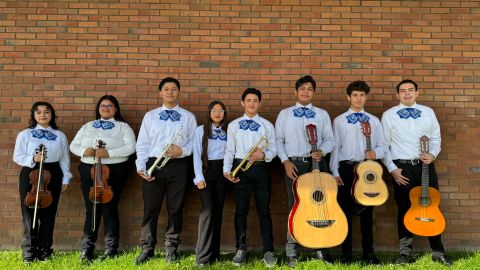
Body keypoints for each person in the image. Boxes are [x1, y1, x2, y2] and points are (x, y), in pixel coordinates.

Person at [382, 79, 451, 266]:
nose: (407, 93)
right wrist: (392, 169)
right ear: (397, 95)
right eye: (403, 91)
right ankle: (405, 254)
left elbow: (436, 137)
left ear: (417, 93)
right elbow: (383, 145)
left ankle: (438, 252)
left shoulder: (428, 113)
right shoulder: (389, 115)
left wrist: (433, 154)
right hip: (402, 169)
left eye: (411, 90)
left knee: (431, 206)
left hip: (426, 166)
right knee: (405, 209)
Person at [134, 77, 197, 265]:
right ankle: (147, 248)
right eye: (166, 89)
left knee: (175, 208)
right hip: (153, 165)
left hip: (178, 165)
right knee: (150, 209)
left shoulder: (189, 117)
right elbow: (142, 143)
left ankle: (171, 249)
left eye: (174, 89)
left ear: (179, 92)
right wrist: (141, 166)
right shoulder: (150, 116)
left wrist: (182, 151)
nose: (170, 92)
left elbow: (195, 143)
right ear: (160, 93)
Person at [275, 75, 335, 267]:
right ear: (296, 91)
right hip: (294, 165)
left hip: (316, 164)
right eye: (302, 89)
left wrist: (322, 151)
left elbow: (330, 139)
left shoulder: (322, 114)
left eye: (309, 89)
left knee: (321, 205)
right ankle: (292, 251)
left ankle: (321, 249)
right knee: (295, 207)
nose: (306, 92)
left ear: (313, 92)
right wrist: (285, 161)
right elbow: (278, 141)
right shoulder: (285, 114)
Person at [70, 95, 136, 262]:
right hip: (89, 170)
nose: (106, 108)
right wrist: (84, 151)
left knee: (109, 208)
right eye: (103, 106)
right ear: (98, 108)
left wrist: (109, 153)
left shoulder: (122, 126)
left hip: (114, 171)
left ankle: (111, 249)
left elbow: (131, 147)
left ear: (116, 109)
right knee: (91, 208)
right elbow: (73, 146)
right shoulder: (88, 125)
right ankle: (87, 249)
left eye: (110, 106)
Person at [329, 80, 386, 264]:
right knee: (345, 212)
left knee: (367, 213)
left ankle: (369, 254)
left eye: (362, 95)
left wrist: (375, 153)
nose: (358, 98)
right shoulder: (338, 120)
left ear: (366, 97)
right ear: (348, 97)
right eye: (355, 95)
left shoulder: (374, 121)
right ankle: (346, 255)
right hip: (346, 169)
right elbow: (335, 148)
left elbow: (384, 146)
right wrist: (334, 171)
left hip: (367, 169)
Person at [223, 88, 277, 268]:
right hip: (240, 170)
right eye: (248, 100)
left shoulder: (268, 125)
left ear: (259, 103)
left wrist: (263, 155)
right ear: (242, 103)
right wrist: (227, 170)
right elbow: (229, 150)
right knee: (241, 211)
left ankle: (268, 251)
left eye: (255, 100)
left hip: (261, 170)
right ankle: (240, 248)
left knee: (264, 211)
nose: (252, 103)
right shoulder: (233, 125)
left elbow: (274, 149)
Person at [13, 101, 72, 263]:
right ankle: (29, 253)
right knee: (28, 213)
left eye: (46, 111)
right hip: (30, 172)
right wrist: (33, 158)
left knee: (48, 213)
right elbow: (17, 156)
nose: (43, 114)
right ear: (33, 115)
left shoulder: (60, 136)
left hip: (53, 173)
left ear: (52, 114)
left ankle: (44, 251)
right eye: (38, 112)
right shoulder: (24, 134)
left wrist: (66, 177)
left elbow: (65, 158)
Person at [193, 100, 230, 267]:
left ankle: (214, 254)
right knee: (207, 212)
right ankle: (202, 257)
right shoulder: (200, 130)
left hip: (222, 172)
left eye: (221, 110)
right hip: (206, 172)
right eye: (214, 110)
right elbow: (196, 155)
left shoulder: (228, 131)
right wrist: (198, 177)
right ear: (209, 112)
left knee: (218, 213)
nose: (217, 113)